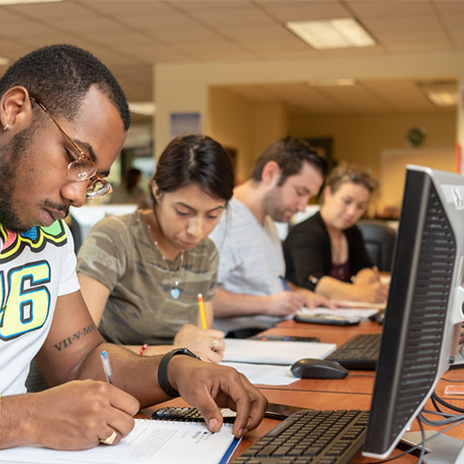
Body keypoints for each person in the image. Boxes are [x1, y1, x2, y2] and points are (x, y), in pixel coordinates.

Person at [0, 44, 266, 451]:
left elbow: (81, 360)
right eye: (75, 157)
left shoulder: (48, 235)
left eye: (93, 177)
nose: (78, 195)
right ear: (14, 109)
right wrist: (29, 418)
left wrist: (176, 370)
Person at [77, 134, 231, 363]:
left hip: (177, 384)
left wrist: (198, 344)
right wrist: (179, 350)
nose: (196, 230)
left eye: (212, 215)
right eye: (183, 212)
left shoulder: (205, 252)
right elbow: (77, 352)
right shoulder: (114, 237)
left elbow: (204, 348)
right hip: (113, 384)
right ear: (157, 192)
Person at [209, 136, 334, 335]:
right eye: (300, 192)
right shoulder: (220, 220)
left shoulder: (267, 219)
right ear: (271, 174)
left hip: (273, 333)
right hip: (238, 341)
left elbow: (266, 284)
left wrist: (298, 293)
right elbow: (198, 298)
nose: (303, 207)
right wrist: (266, 305)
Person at [283, 163, 389, 303]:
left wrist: (366, 279)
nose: (352, 212)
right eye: (346, 201)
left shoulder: (351, 231)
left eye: (360, 206)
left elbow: (365, 268)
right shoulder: (306, 233)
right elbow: (312, 280)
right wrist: (361, 293)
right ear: (328, 193)